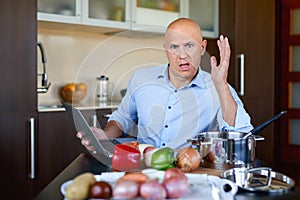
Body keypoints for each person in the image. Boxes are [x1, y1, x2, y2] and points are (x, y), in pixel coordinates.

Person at [77, 18, 253, 150]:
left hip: (191, 174)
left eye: (189, 46)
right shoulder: (141, 78)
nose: (182, 55)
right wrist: (105, 134)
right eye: (174, 47)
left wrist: (221, 84)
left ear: (203, 47)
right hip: (143, 169)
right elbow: (123, 118)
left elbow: (241, 134)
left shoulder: (217, 87)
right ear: (166, 49)